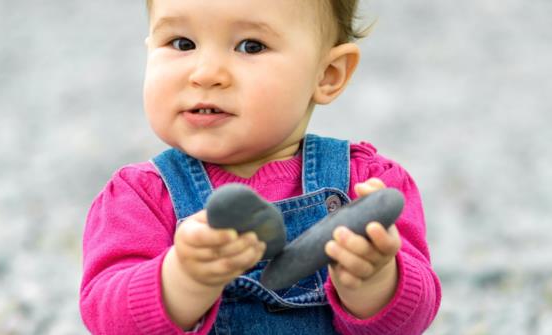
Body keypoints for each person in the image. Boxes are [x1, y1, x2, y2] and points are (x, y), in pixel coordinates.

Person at [79, 0, 441, 334]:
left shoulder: (366, 185)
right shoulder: (139, 197)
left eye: (250, 46)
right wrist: (183, 280)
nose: (206, 74)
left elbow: (412, 320)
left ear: (327, 74)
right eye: (182, 43)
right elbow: (106, 318)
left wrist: (374, 280)